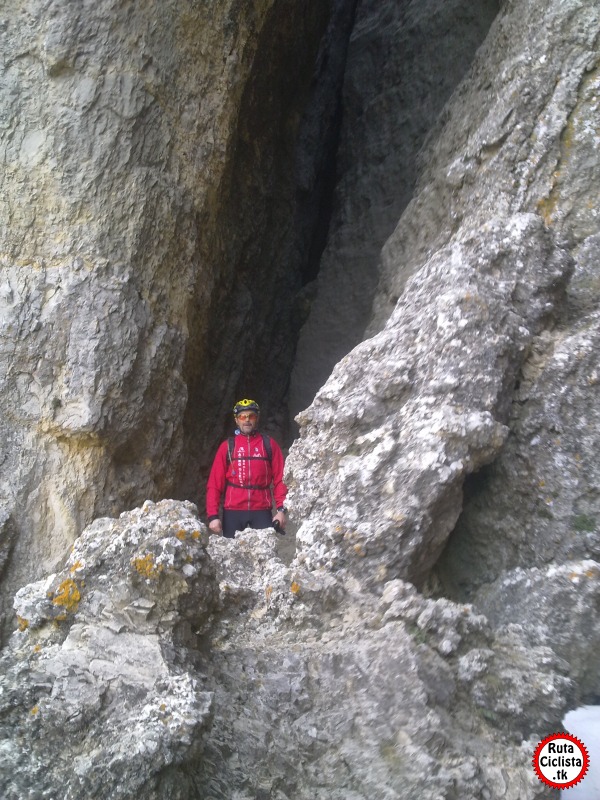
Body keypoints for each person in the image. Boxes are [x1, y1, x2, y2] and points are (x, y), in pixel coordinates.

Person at [206, 399, 288, 538]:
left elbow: (281, 479)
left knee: (265, 555)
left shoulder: (269, 445)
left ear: (257, 419)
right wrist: (213, 515)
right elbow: (215, 483)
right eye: (243, 417)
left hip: (261, 509)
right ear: (236, 420)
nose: (247, 420)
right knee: (230, 557)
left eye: (252, 416)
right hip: (233, 510)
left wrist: (281, 510)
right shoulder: (227, 446)